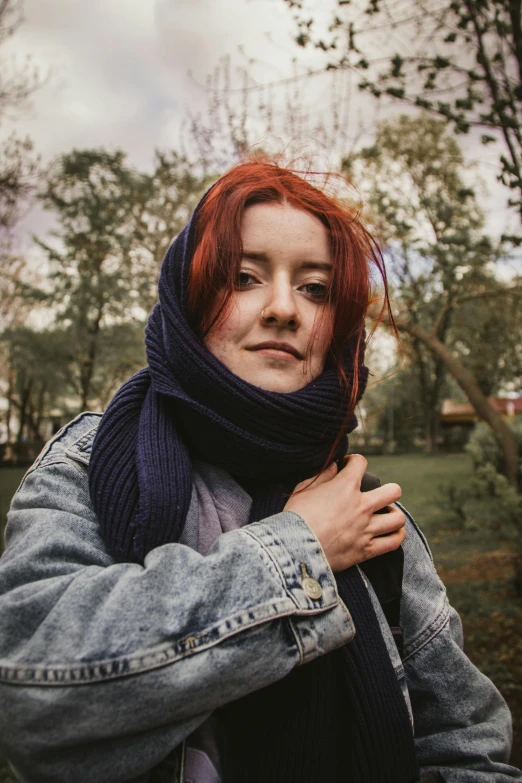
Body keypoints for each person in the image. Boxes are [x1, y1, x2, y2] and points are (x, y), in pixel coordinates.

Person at [0, 160, 519, 783]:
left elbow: (469, 745)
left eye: (315, 288)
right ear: (190, 300)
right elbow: (27, 690)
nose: (282, 309)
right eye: (244, 278)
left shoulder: (368, 510)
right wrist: (300, 550)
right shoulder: (92, 460)